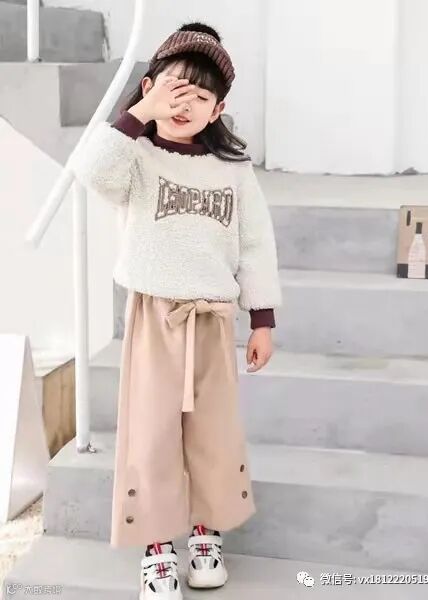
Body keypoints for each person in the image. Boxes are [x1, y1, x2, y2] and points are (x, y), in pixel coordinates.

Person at [69, 21, 282, 600]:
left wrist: (262, 319)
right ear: (148, 89)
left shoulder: (233, 170)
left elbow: (255, 244)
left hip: (212, 320)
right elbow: (91, 172)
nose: (185, 105)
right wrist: (139, 114)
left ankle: (206, 533)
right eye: (173, 91)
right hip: (155, 318)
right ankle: (157, 547)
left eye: (201, 97)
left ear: (218, 110)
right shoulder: (134, 156)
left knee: (213, 434)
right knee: (152, 436)